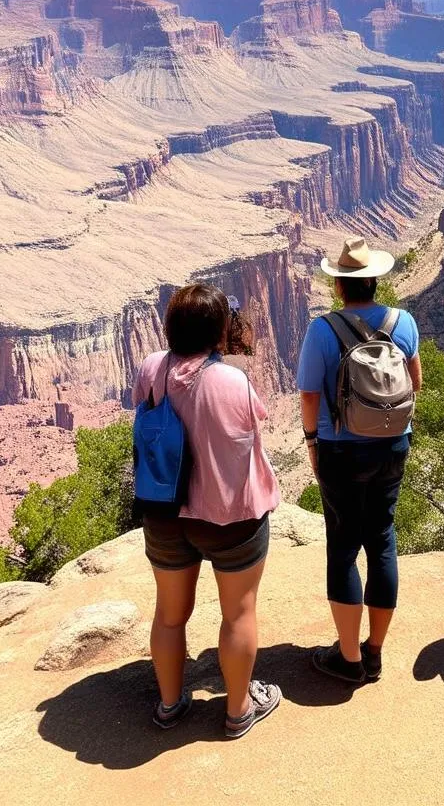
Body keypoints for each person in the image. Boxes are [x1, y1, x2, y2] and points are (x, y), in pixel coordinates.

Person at [132, 283, 282, 738]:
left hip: (164, 512)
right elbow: (253, 425)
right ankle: (238, 711)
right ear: (219, 330)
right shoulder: (231, 381)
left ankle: (170, 703)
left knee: (169, 614)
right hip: (230, 518)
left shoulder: (151, 368)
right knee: (238, 613)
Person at [297, 237, 423, 684]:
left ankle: (348, 659)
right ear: (375, 281)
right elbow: (416, 383)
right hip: (392, 445)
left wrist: (313, 442)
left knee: (344, 546)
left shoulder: (322, 330)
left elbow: (310, 394)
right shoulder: (403, 321)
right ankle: (374, 652)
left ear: (339, 287)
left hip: (340, 449)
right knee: (382, 539)